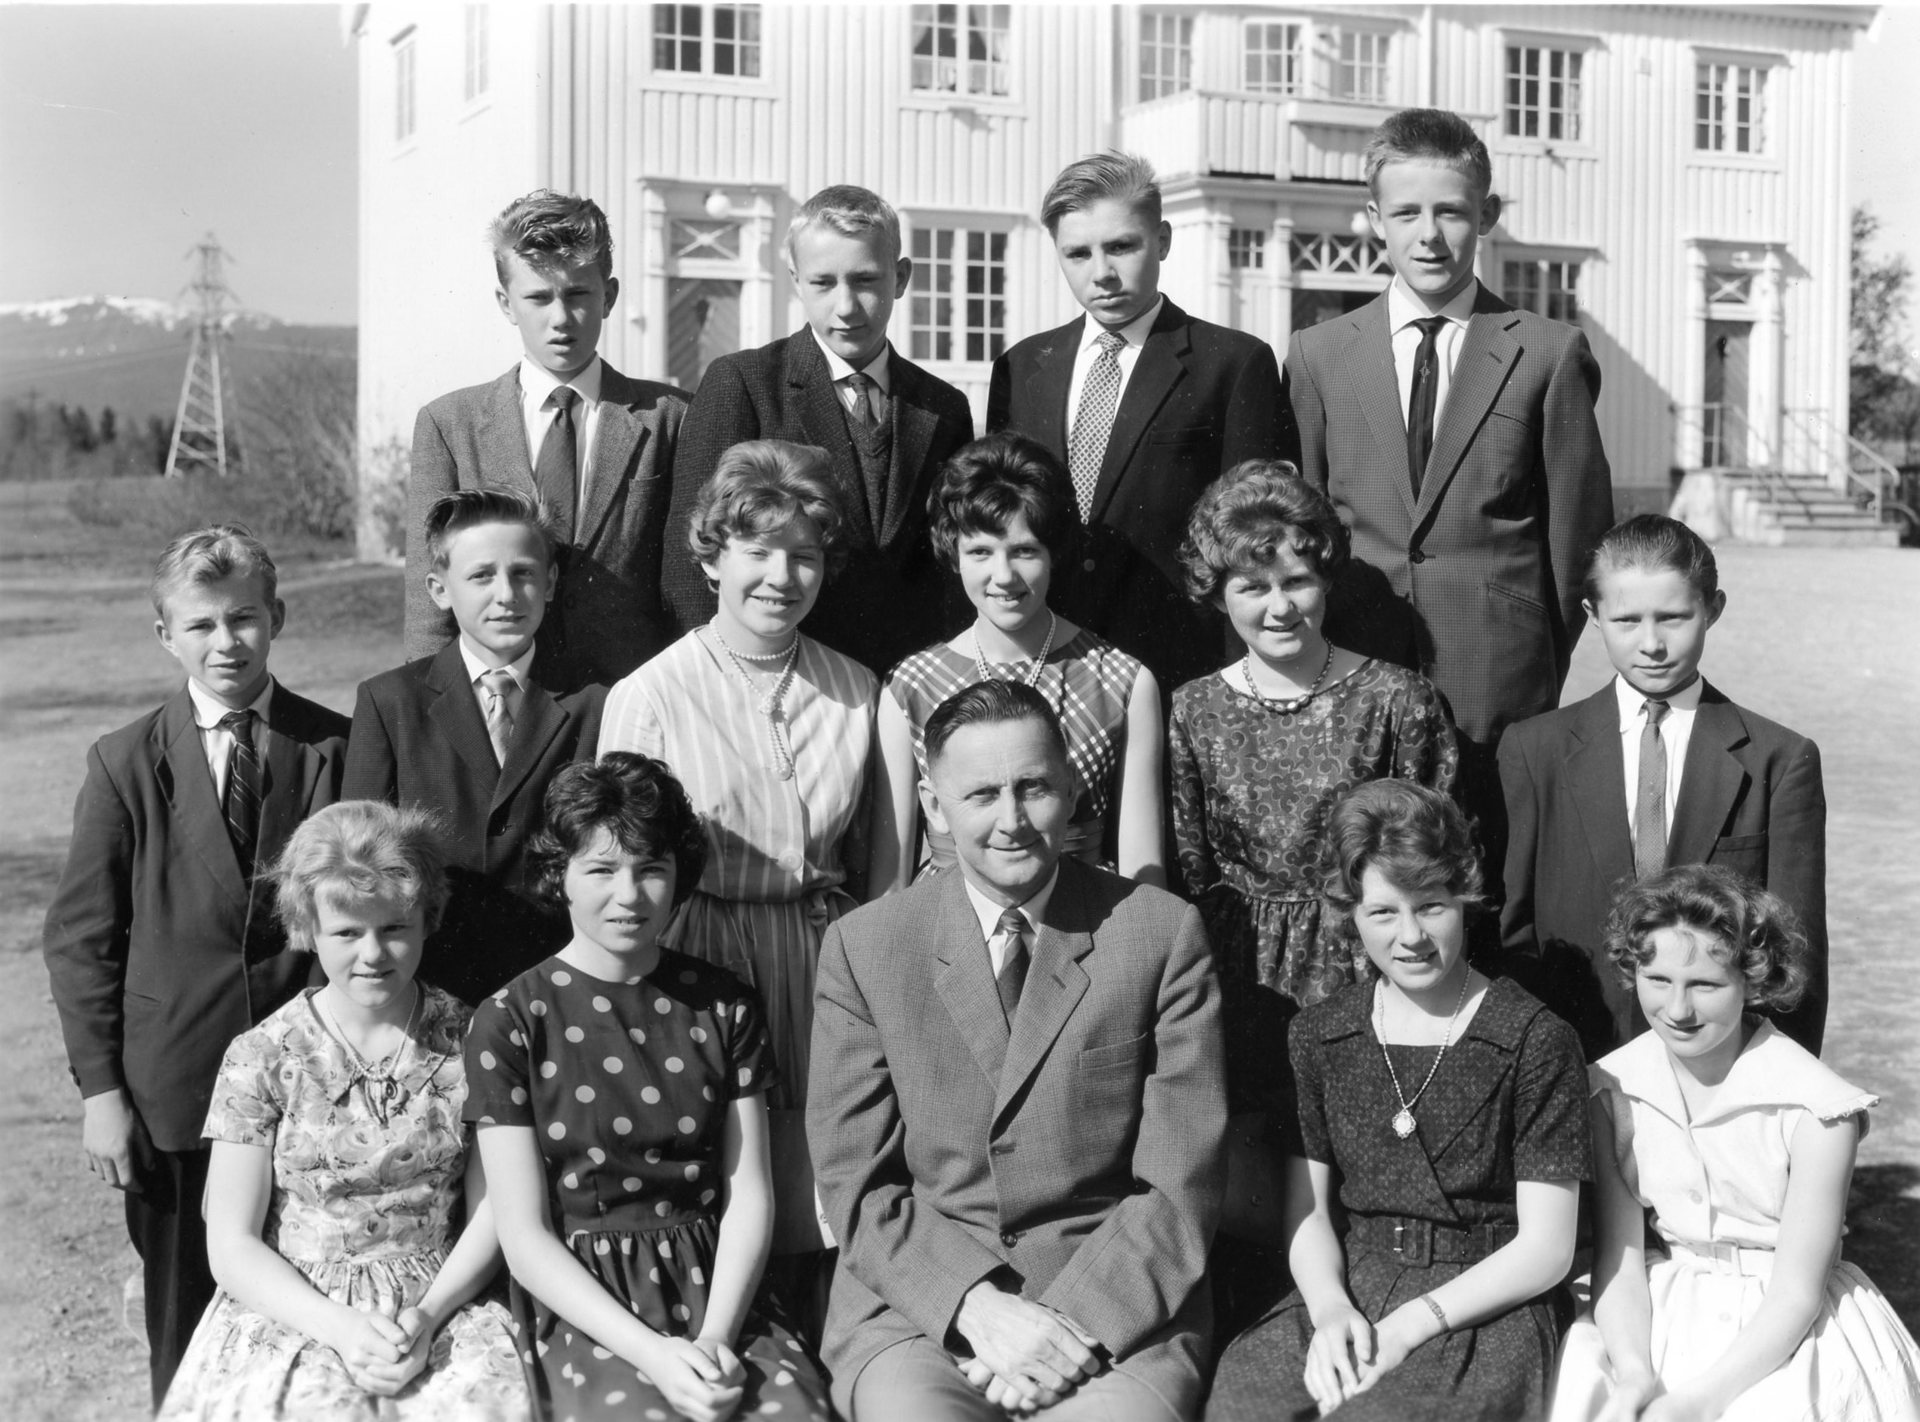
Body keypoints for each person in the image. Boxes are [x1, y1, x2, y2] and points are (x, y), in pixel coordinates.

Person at [809, 680, 1228, 1421]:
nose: (1012, 820)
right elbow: (858, 1185)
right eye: (981, 795)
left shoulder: (1160, 934)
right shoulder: (867, 946)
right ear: (934, 807)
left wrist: (1064, 1328)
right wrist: (976, 1307)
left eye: (1033, 787)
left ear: (1071, 790)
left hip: (1118, 1302)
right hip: (922, 1306)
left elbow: (1180, 1184)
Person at [41, 525, 352, 1404]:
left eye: (244, 619)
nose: (227, 643)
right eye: (202, 625)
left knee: (309, 1320)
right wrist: (103, 1095)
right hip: (175, 1095)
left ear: (277, 618)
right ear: (165, 635)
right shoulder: (126, 761)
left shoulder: (335, 747)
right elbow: (81, 940)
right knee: (183, 1323)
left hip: (311, 1084)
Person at [1286, 108, 1614, 869]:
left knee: (1487, 879)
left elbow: (1576, 543)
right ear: (1375, 219)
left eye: (1452, 212)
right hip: (1359, 666)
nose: (1429, 236)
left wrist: (1531, 659)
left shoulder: (1546, 353)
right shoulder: (1319, 355)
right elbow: (1305, 529)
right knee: (1365, 873)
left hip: (1497, 679)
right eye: (1406, 213)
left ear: (1487, 215)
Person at [1208, 780, 1590, 1422]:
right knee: (1242, 1402)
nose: (1411, 936)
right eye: (1383, 913)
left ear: (1465, 898)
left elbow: (1547, 1248)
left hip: (1482, 1306)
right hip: (1348, 1290)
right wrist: (1330, 1311)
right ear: (1351, 912)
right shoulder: (1321, 1035)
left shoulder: (1536, 1039)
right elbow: (1308, 1213)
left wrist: (1413, 1325)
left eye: (1431, 906)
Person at [467, 755, 833, 1422]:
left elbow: (749, 1193)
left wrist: (716, 1340)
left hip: (721, 1293)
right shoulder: (511, 1020)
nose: (629, 895)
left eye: (651, 869)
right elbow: (522, 1235)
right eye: (601, 870)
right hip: (584, 1305)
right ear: (560, 876)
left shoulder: (724, 1006)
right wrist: (655, 1356)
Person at [1167, 463, 1457, 1306]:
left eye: (1296, 580)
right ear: (1218, 593)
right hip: (1241, 978)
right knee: (1249, 1200)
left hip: (1366, 972)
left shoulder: (1398, 701)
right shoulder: (1193, 710)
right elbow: (1190, 863)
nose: (1279, 606)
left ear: (1326, 577)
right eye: (1251, 587)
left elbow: (1433, 867)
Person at [600, 440, 876, 1268]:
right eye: (758, 552)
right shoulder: (650, 695)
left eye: (804, 556)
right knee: (707, 1180)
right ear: (713, 557)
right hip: (693, 965)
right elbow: (619, 879)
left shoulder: (858, 691)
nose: (781, 578)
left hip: (823, 966)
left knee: (824, 1190)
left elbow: (875, 863)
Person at [158, 801, 527, 1421]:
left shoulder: (473, 1042)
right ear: (309, 929)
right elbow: (229, 1242)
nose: (373, 953)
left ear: (427, 920)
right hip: (294, 1310)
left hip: (438, 1307)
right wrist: (340, 1329)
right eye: (348, 933)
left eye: (395, 927)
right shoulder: (261, 1056)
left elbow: (495, 1209)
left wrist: (427, 1317)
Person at [1550, 865, 1920, 1422]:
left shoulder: (1818, 1109)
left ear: (1752, 979)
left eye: (1705, 985)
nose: (1678, 1010)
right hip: (1658, 1307)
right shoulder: (1611, 1089)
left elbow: (1797, 1293)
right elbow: (1619, 1261)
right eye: (1658, 980)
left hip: (1787, 1330)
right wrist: (1633, 1373)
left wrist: (1697, 1403)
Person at [1499, 514, 1826, 1060]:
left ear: (1713, 609)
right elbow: (1513, 935)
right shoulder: (1535, 751)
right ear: (1592, 616)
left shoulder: (1779, 759)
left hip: (1720, 1066)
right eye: (1627, 620)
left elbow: (1796, 956)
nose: (1651, 644)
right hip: (1569, 1059)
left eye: (1673, 618)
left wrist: (1775, 1088)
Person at [987, 152, 1296, 694]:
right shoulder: (1022, 367)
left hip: (1178, 660)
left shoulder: (1232, 363)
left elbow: (1255, 538)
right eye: (1078, 253)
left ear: (1163, 240)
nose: (1101, 273)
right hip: (1041, 657)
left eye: (1121, 246)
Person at [661, 184, 975, 674]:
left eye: (865, 280)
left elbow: (951, 568)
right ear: (796, 280)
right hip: (775, 675)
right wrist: (726, 680)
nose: (846, 306)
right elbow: (691, 560)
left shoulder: (943, 407)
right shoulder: (744, 384)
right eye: (823, 282)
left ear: (901, 277)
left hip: (906, 682)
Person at [405, 189, 689, 692]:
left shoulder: (670, 417)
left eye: (578, 294)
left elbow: (688, 586)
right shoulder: (451, 425)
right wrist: (428, 711)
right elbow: (431, 601)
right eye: (538, 297)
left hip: (631, 695)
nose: (560, 318)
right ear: (506, 303)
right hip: (501, 697)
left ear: (609, 296)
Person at [872, 431, 1164, 893]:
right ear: (954, 555)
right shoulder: (909, 686)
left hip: (1088, 917)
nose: (1003, 576)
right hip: (947, 925)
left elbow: (1144, 872)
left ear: (1053, 553)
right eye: (980, 552)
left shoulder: (1123, 680)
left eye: (1024, 551)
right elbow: (888, 883)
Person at [345, 489, 606, 1005]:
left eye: (523, 573)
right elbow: (359, 862)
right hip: (432, 982)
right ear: (440, 590)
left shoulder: (596, 700)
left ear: (551, 583)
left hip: (562, 978)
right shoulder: (390, 702)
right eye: (482, 576)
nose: (506, 594)